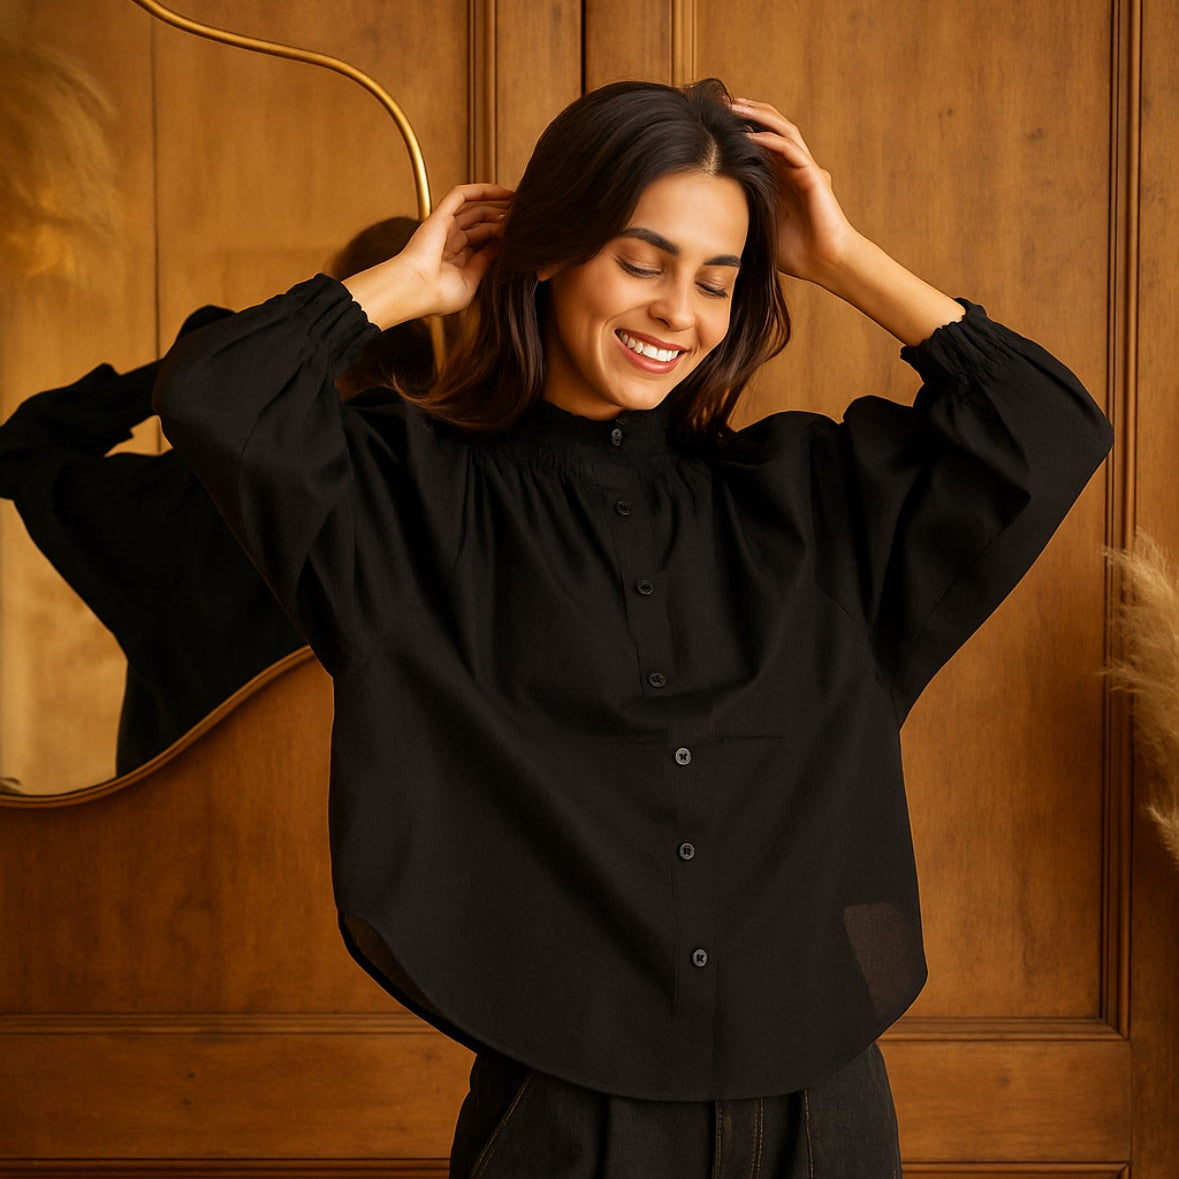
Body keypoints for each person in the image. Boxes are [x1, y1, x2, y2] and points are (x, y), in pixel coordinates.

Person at [153, 80, 1113, 1177]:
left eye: (716, 280)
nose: (678, 313)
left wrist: (841, 255)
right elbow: (215, 393)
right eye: (641, 262)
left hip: (828, 1116)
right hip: (567, 1114)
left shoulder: (809, 509)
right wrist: (412, 283)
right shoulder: (408, 508)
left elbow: (1048, 427)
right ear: (553, 253)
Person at [0, 217, 433, 778]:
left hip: (175, 820)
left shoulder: (194, 496)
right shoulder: (455, 506)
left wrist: (184, 366)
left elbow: (19, 450)